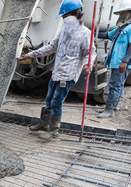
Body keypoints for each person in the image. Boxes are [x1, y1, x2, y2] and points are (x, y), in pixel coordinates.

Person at [22, 0, 96, 139]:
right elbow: (51, 47)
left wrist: (88, 64)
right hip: (57, 73)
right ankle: (44, 123)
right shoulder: (63, 32)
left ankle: (54, 129)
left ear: (76, 14)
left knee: (57, 101)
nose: (64, 19)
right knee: (49, 99)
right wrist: (31, 54)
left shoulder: (85, 33)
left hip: (68, 75)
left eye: (65, 16)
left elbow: (90, 52)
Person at [98, 0, 131, 118]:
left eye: (122, 12)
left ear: (130, 11)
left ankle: (109, 110)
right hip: (115, 61)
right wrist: (92, 32)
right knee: (117, 84)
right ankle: (113, 106)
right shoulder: (124, 25)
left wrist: (125, 61)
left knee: (114, 85)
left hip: (122, 62)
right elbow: (109, 35)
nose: (120, 15)